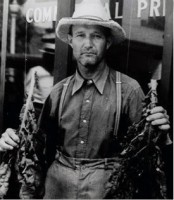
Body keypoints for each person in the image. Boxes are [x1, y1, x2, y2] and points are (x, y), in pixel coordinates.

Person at [0, 0, 172, 199]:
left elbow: (149, 152)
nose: (88, 44)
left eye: (96, 36)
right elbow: (36, 147)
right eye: (80, 35)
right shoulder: (57, 92)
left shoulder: (129, 91)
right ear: (71, 40)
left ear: (107, 42)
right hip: (57, 188)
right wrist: (12, 139)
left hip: (107, 189)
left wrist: (161, 134)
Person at [25, 33, 55, 120]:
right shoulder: (35, 71)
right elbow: (28, 96)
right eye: (48, 56)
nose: (50, 59)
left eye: (53, 56)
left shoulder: (59, 72)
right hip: (38, 113)